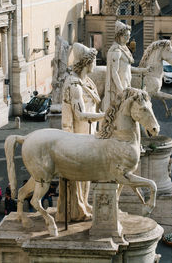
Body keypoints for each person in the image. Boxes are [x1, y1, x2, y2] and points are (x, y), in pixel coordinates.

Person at [58, 42, 105, 222]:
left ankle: (84, 203)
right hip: (78, 138)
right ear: (86, 63)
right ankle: (77, 207)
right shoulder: (74, 85)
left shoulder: (87, 82)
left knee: (87, 176)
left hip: (90, 136)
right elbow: (79, 114)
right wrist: (105, 115)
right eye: (93, 61)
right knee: (80, 176)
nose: (95, 63)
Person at [102, 20, 149, 111]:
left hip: (127, 84)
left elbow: (127, 68)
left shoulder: (124, 49)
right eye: (125, 36)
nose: (128, 38)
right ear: (119, 36)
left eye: (129, 35)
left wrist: (142, 70)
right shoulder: (117, 51)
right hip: (120, 88)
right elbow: (114, 72)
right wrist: (121, 90)